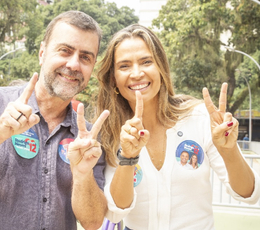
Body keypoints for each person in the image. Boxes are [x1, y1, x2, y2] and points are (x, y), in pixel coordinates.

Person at [95, 24, 260, 230]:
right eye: (124, 66)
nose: (137, 73)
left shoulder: (199, 117)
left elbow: (249, 194)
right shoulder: (110, 132)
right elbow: (116, 210)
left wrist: (229, 150)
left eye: (146, 61)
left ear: (161, 68)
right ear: (113, 79)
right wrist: (127, 157)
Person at [0, 11, 110, 230]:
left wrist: (82, 175)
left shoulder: (88, 140)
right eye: (65, 51)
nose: (74, 64)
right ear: (42, 53)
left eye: (85, 57)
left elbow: (93, 222)